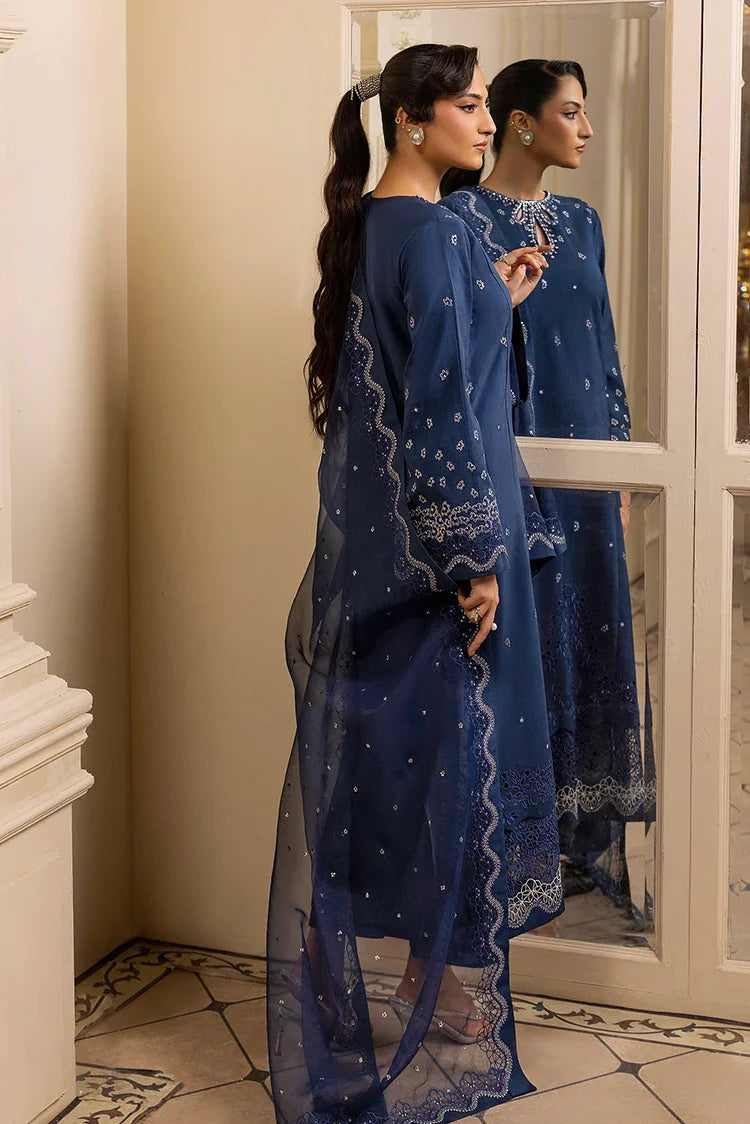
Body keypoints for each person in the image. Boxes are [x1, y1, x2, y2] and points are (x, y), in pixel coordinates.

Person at [267, 45, 564, 1124]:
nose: (486, 123)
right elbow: (435, 413)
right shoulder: (434, 233)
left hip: (389, 556)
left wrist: (495, 300)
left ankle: (396, 980)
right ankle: (433, 990)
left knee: (400, 769)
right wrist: (474, 560)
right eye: (470, 105)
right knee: (446, 774)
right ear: (410, 119)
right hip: (447, 558)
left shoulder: (383, 227)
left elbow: (423, 372)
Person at [442, 59, 655, 927]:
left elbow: (603, 347)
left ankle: (579, 836)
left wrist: (621, 461)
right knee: (529, 635)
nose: (587, 130)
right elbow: (456, 350)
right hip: (516, 461)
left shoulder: (584, 221)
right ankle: (517, 842)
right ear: (522, 122)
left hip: (588, 461)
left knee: (592, 623)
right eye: (572, 113)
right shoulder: (462, 219)